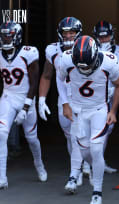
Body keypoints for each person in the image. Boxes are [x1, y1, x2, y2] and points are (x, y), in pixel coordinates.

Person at [57, 35, 119, 204]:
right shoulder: (66, 59)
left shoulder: (109, 62)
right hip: (78, 109)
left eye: (88, 65)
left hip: (98, 110)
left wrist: (113, 110)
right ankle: (92, 171)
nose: (84, 70)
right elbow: (59, 79)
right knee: (85, 151)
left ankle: (97, 192)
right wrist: (65, 103)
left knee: (95, 148)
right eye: (81, 66)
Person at [0, 21, 47, 190]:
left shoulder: (29, 53)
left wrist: (26, 108)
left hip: (25, 97)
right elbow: (0, 80)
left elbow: (34, 82)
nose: (6, 38)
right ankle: (2, 178)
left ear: (17, 36)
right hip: (8, 96)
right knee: (1, 134)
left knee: (31, 138)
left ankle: (39, 164)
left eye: (9, 35)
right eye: (3, 34)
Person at [37, 17, 87, 193]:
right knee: (69, 136)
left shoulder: (86, 47)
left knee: (77, 137)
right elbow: (46, 75)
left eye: (71, 32)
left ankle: (77, 171)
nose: (68, 35)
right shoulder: (53, 50)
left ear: (78, 33)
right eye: (65, 32)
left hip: (82, 98)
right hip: (64, 98)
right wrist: (41, 99)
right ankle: (81, 163)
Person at [88, 20, 119, 174]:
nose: (104, 40)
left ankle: (99, 161)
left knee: (107, 129)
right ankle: (87, 164)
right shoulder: (89, 49)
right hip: (94, 94)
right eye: (101, 37)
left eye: (107, 36)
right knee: (90, 129)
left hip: (111, 92)